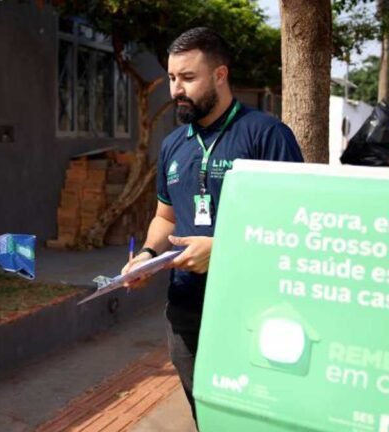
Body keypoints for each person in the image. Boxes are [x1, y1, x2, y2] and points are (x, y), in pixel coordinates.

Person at [121, 27, 303, 422]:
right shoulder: (173, 144)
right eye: (171, 78)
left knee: (253, 418)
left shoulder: (266, 135)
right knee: (205, 413)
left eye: (188, 78)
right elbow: (164, 215)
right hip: (185, 309)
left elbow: (294, 225)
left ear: (220, 75)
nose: (175, 90)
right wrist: (148, 256)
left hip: (252, 311)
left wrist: (221, 249)